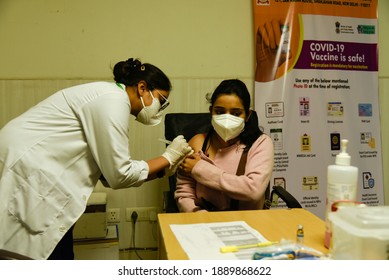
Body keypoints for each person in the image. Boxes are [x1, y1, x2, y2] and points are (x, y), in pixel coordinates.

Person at [0, 57, 192, 259]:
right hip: (29, 171)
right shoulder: (113, 99)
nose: (159, 109)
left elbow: (108, 176)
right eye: (161, 101)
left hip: (37, 172)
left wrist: (161, 169)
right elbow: (119, 175)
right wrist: (169, 157)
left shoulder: (107, 97)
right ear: (142, 88)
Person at [174, 79, 274, 212]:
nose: (227, 119)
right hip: (202, 222)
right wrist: (200, 217)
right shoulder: (198, 143)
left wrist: (199, 168)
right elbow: (184, 193)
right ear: (211, 111)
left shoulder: (260, 143)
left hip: (247, 223)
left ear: (248, 115)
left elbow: (253, 190)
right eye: (220, 112)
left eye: (236, 113)